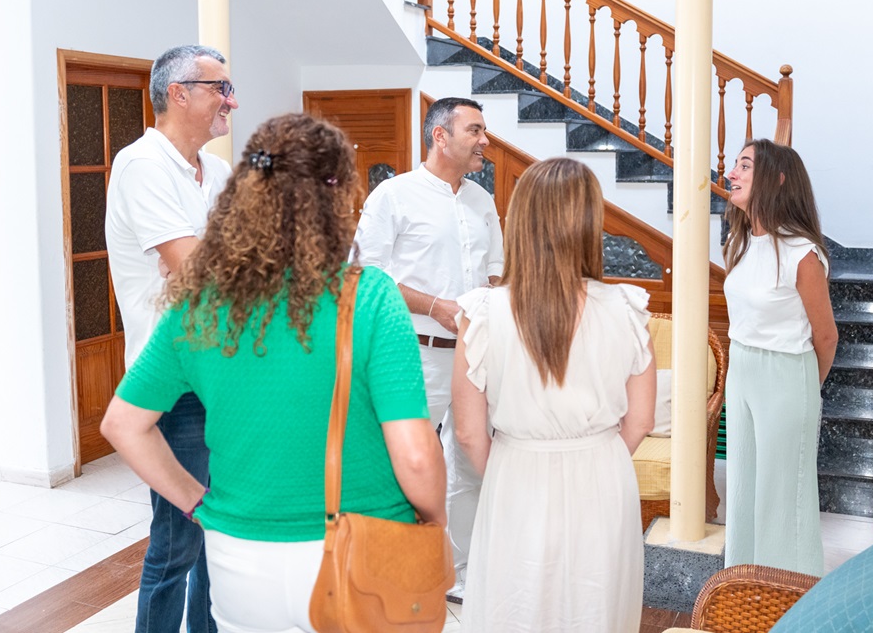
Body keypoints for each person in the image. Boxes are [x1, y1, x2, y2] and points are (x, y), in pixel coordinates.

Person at [101, 113, 446, 633]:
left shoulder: (199, 304)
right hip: (361, 548)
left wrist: (197, 502)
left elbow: (122, 425)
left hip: (240, 562)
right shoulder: (370, 296)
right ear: (336, 198)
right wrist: (436, 519)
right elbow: (417, 459)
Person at [451, 157, 656, 633]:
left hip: (515, 472)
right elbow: (641, 420)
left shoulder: (483, 313)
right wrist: (595, 457)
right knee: (596, 605)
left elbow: (466, 429)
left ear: (520, 220)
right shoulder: (625, 308)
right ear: (589, 222)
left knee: (515, 605)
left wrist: (513, 466)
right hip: (603, 474)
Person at [105, 44, 239, 633]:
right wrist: (205, 261)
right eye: (219, 87)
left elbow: (239, 265)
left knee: (218, 536)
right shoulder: (143, 165)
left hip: (227, 375)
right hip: (174, 383)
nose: (230, 100)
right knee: (178, 542)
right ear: (179, 92)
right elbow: (195, 270)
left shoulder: (221, 172)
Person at [352, 96, 504, 598]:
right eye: (475, 131)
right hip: (412, 353)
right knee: (402, 462)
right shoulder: (392, 196)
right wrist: (436, 307)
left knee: (470, 461)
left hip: (476, 357)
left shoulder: (483, 202)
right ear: (441, 136)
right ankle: (386, 569)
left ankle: (458, 573)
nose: (485, 141)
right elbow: (367, 278)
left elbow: (497, 272)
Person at [721, 139, 837, 576]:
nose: (732, 173)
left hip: (787, 375)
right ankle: (742, 591)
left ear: (777, 178)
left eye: (745, 166)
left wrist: (804, 388)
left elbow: (826, 337)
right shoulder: (742, 240)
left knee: (783, 496)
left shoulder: (802, 254)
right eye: (735, 165)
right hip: (743, 370)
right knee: (745, 490)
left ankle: (786, 599)